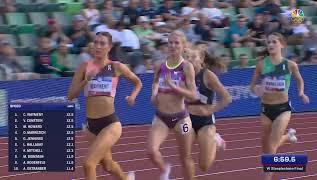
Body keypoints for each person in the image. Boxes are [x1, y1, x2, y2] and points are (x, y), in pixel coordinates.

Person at [67, 32, 142, 180]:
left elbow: (138, 82)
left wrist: (133, 96)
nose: (98, 46)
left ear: (109, 47)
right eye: (96, 43)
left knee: (89, 164)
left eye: (102, 43)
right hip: (91, 126)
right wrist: (85, 81)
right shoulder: (84, 67)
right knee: (107, 165)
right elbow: (71, 96)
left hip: (110, 123)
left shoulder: (116, 67)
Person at [249, 32, 309, 180]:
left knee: (271, 147)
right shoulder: (261, 64)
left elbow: (299, 80)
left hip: (283, 109)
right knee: (267, 146)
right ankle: (288, 136)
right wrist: (257, 90)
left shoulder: (290, 65)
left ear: (282, 45)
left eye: (274, 42)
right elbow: (252, 87)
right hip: (265, 109)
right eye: (268, 42)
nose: (270, 45)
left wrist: (301, 92)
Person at [147, 31, 197, 180]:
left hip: (181, 119)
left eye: (176, 43)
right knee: (151, 151)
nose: (173, 45)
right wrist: (153, 94)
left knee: (185, 158)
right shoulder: (160, 65)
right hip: (161, 117)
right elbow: (155, 82)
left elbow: (193, 95)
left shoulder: (186, 67)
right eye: (170, 42)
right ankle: (165, 170)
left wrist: (175, 87)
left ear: (183, 46)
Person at [185, 48, 231, 172]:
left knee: (204, 166)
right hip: (187, 121)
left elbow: (227, 98)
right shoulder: (181, 76)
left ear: (201, 59)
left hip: (205, 122)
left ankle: (215, 140)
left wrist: (211, 109)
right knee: (184, 155)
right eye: (187, 57)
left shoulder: (207, 75)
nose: (189, 60)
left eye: (193, 57)